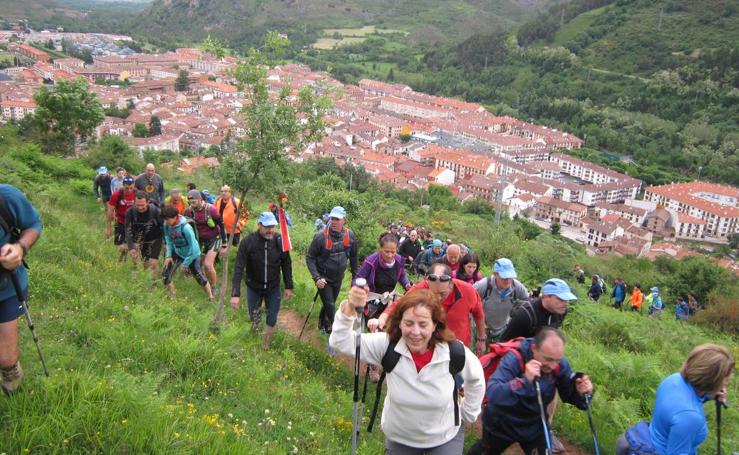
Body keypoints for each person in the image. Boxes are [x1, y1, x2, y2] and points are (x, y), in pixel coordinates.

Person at [330, 286, 485, 454]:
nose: (415, 332)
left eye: (423, 324)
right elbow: (341, 341)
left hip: (445, 435)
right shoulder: (387, 345)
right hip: (401, 437)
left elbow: (476, 378)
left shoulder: (453, 352)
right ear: (400, 323)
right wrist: (350, 307)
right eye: (409, 323)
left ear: (435, 325)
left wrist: (469, 412)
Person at [474, 327, 593, 455]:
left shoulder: (560, 365)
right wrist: (524, 382)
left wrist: (582, 393)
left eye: (557, 360)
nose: (553, 365)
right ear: (534, 348)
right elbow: (493, 393)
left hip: (535, 424)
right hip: (502, 423)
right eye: (547, 359)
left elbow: (569, 394)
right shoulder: (514, 359)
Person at [616, 344, 734, 455]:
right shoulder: (690, 417)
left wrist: (710, 395)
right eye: (726, 379)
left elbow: (685, 401)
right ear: (711, 380)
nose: (727, 383)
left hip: (649, 439)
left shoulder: (673, 380)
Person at [370, 263, 487, 356]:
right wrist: (382, 318)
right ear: (428, 284)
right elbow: (400, 304)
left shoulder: (468, 292)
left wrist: (481, 339)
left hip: (457, 345)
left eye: (442, 294)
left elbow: (479, 315)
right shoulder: (421, 287)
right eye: (433, 293)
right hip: (430, 344)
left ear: (451, 285)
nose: (438, 299)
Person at [0, 184, 42, 395]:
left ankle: (12, 380)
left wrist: (20, 248)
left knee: (6, 359)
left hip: (5, 288)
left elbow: (33, 224)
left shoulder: (6, 196)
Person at [231, 212, 293, 349]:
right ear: (259, 225)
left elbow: (287, 264)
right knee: (255, 316)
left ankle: (265, 345)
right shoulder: (248, 242)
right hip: (254, 286)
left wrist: (289, 286)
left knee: (271, 318)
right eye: (267, 227)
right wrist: (235, 294)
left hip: (273, 287)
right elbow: (238, 267)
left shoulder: (279, 241)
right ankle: (254, 335)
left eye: (273, 226)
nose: (270, 230)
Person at [305, 206, 358, 334]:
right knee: (329, 304)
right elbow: (310, 257)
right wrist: (316, 277)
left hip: (338, 277)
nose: (334, 221)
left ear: (344, 220)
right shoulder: (320, 237)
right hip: (323, 279)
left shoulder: (349, 235)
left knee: (330, 302)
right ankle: (337, 330)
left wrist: (355, 278)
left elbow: (354, 256)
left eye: (337, 219)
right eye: (332, 218)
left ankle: (322, 324)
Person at [161, 206, 214, 301]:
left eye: (168, 220)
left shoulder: (186, 228)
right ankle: (172, 298)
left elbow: (193, 248)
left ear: (176, 217)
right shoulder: (166, 225)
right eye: (164, 220)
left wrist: (185, 264)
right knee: (166, 274)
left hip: (192, 253)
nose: (166, 222)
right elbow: (168, 240)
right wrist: (168, 256)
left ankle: (210, 297)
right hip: (178, 251)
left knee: (198, 276)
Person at [498, 278, 576, 342]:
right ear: (546, 296)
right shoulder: (524, 315)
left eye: (567, 299)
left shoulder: (561, 312)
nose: (565, 303)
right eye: (561, 299)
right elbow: (504, 344)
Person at [474, 258, 529, 343]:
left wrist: (517, 310)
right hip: (481, 329)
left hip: (502, 329)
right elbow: (468, 302)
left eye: (510, 277)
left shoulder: (516, 287)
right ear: (495, 274)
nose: (507, 281)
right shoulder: (483, 285)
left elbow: (527, 301)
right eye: (504, 277)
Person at [185, 189, 227, 290]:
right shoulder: (188, 211)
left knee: (208, 265)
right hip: (199, 240)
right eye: (190, 202)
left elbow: (221, 226)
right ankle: (206, 284)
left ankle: (214, 287)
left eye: (194, 202)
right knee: (198, 265)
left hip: (215, 238)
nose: (192, 205)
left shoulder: (211, 209)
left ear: (200, 199)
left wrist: (224, 244)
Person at [125, 191, 163, 278]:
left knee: (153, 262)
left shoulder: (156, 211)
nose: (140, 207)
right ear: (134, 202)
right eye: (137, 205)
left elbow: (164, 227)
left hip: (156, 239)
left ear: (148, 202)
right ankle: (148, 282)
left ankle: (154, 286)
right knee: (145, 264)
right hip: (142, 240)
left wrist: (166, 243)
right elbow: (127, 229)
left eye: (142, 205)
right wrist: (131, 247)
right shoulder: (130, 212)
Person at [108, 176, 137, 262]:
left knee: (134, 245)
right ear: (123, 185)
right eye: (126, 188)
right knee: (121, 246)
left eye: (131, 188)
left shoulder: (137, 194)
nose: (128, 190)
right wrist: (108, 227)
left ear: (134, 185)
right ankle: (122, 257)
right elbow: (110, 210)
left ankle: (133, 264)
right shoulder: (117, 194)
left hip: (133, 223)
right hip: (120, 222)